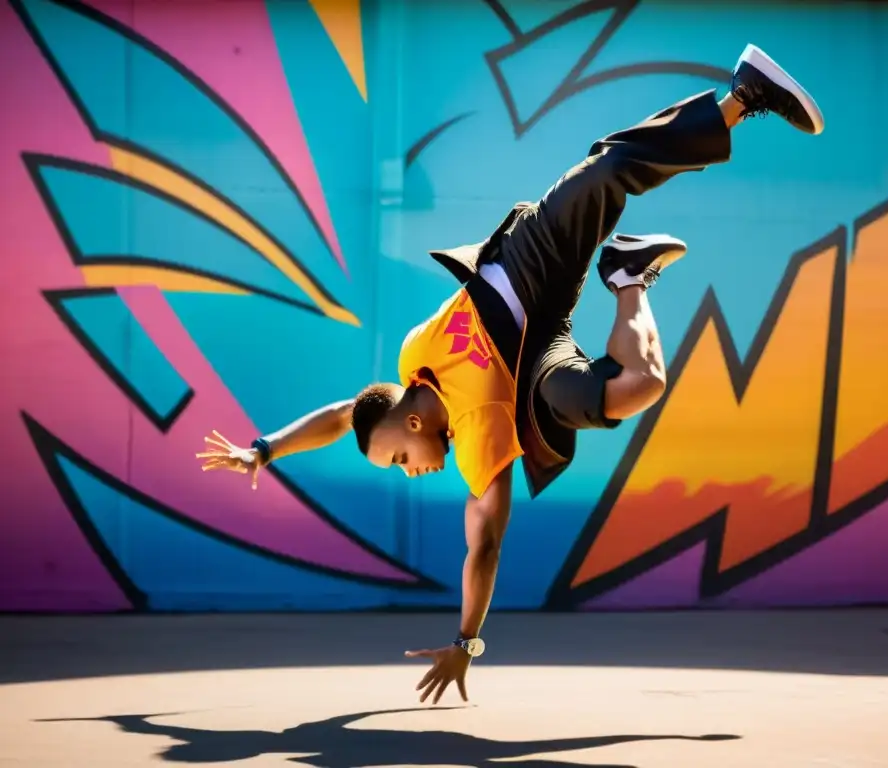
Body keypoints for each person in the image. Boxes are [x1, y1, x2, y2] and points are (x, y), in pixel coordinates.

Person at [195, 44, 824, 705]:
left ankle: (743, 98)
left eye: (399, 459)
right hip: (540, 357)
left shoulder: (415, 359)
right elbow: (484, 548)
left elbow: (340, 415)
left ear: (411, 420)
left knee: (609, 168)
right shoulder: (476, 446)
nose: (410, 472)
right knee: (641, 387)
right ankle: (629, 276)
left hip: (527, 261)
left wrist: (265, 446)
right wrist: (467, 642)